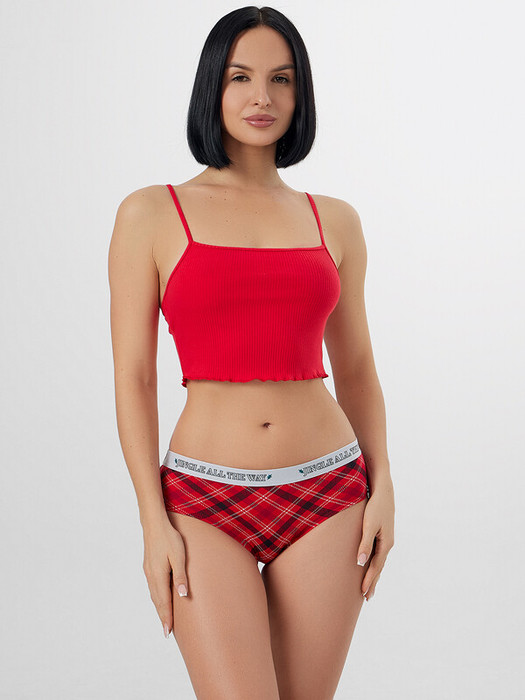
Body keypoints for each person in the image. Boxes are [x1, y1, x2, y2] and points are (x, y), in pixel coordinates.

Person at [108, 6, 395, 699]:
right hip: (202, 499)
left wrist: (384, 483)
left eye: (281, 79)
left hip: (329, 493)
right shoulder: (151, 212)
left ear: (300, 95)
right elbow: (135, 377)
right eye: (240, 77)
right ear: (212, 85)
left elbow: (357, 369)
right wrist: (151, 521)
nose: (261, 97)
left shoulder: (335, 220)